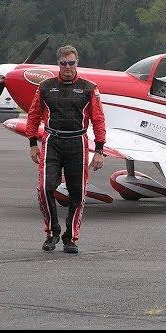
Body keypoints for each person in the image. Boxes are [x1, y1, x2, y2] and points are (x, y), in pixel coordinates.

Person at [26, 45, 106, 254]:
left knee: (77, 192)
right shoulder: (45, 86)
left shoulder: (89, 88)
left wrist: (99, 150)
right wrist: (33, 143)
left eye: (71, 63)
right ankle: (52, 231)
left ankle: (70, 237)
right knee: (45, 188)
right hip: (51, 141)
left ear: (77, 63)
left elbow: (98, 119)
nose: (68, 67)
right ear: (58, 64)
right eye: (64, 63)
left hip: (77, 143)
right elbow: (33, 115)